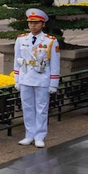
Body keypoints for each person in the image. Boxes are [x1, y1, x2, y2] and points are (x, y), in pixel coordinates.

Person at [13, 8, 60, 148]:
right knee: (27, 108)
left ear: (43, 24)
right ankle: (29, 135)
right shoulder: (21, 39)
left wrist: (53, 83)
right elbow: (17, 60)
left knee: (41, 108)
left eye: (36, 23)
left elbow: (55, 64)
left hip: (42, 78)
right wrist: (17, 79)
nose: (33, 25)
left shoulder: (50, 41)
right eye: (30, 23)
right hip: (26, 77)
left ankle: (39, 136)